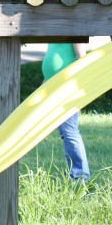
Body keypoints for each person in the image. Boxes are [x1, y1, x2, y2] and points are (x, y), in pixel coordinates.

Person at [41, 42, 91, 182]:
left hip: (67, 85)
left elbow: (82, 58)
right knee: (65, 132)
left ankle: (81, 176)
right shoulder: (56, 30)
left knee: (70, 131)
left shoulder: (72, 27)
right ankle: (76, 173)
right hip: (54, 85)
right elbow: (55, 54)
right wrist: (46, 80)